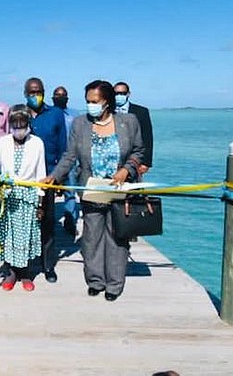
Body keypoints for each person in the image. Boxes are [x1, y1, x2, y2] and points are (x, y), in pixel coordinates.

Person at [43, 80, 144, 301]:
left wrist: (126, 170)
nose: (91, 105)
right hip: (91, 191)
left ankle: (115, 284)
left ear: (107, 102)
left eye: (94, 101)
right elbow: (70, 156)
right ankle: (95, 280)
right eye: (88, 101)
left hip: (119, 190)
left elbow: (138, 152)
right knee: (91, 238)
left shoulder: (129, 121)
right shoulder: (80, 124)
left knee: (117, 239)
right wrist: (54, 177)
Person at [0, 105, 46, 292]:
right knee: (9, 235)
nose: (19, 128)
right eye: (15, 125)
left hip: (28, 196)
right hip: (8, 196)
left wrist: (40, 202)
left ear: (28, 124)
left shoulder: (37, 143)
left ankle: (26, 273)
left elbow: (41, 174)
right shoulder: (3, 143)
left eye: (23, 124)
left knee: (27, 234)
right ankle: (11, 271)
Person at [24, 77, 67, 283]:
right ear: (25, 94)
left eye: (39, 91)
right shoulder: (19, 114)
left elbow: (63, 149)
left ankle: (48, 265)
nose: (35, 96)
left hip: (47, 178)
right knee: (22, 223)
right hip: (23, 179)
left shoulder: (56, 115)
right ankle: (20, 266)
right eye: (31, 92)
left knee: (47, 224)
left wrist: (60, 178)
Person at [52, 86, 79, 235]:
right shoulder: (48, 114)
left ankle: (70, 220)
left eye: (63, 95)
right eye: (57, 95)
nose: (60, 97)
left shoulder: (74, 115)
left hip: (70, 157)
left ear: (67, 98)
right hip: (53, 157)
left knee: (70, 190)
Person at [114, 81, 153, 177]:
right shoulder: (108, 111)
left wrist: (146, 162)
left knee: (134, 187)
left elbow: (147, 137)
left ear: (128, 94)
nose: (119, 96)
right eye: (116, 93)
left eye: (122, 93)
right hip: (114, 159)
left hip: (134, 158)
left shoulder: (141, 112)